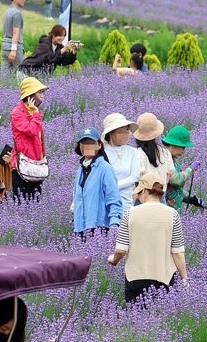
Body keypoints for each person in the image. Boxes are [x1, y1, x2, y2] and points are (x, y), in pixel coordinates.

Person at [107, 174, 188, 304]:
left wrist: (113, 260)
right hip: (163, 278)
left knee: (134, 319)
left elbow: (121, 250)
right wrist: (184, 278)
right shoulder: (173, 214)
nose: (138, 196)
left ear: (144, 190)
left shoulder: (129, 214)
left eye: (139, 193)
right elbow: (177, 252)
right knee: (161, 319)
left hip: (135, 278)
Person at [72, 127, 122, 238]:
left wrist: (114, 223)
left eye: (91, 143)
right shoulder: (80, 169)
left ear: (99, 145)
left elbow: (114, 199)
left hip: (99, 228)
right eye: (84, 143)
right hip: (80, 227)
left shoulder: (105, 168)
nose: (87, 147)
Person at [10, 77, 48, 203]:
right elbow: (31, 131)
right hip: (22, 167)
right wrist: (36, 114)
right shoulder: (17, 113)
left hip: (35, 165)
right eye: (40, 92)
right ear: (31, 95)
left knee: (35, 206)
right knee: (23, 204)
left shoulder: (33, 111)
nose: (43, 95)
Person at [101, 114, 141, 210]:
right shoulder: (102, 153)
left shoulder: (133, 152)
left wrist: (112, 187)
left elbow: (134, 177)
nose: (127, 134)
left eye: (127, 130)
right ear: (111, 133)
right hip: (105, 203)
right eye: (122, 131)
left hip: (126, 204)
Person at [133, 112, 173, 196]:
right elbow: (171, 175)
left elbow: (137, 178)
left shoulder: (136, 153)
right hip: (161, 196)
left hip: (143, 196)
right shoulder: (165, 152)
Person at [161, 126, 196, 209]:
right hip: (164, 212)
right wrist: (190, 169)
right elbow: (176, 180)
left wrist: (192, 199)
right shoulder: (163, 159)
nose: (184, 151)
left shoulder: (173, 160)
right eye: (182, 147)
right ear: (173, 145)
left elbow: (174, 190)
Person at [1, 0, 27, 74]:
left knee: (5, 78)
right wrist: (13, 50)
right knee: (23, 73)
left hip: (4, 46)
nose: (24, 0)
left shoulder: (7, 11)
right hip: (14, 47)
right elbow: (15, 33)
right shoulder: (17, 13)